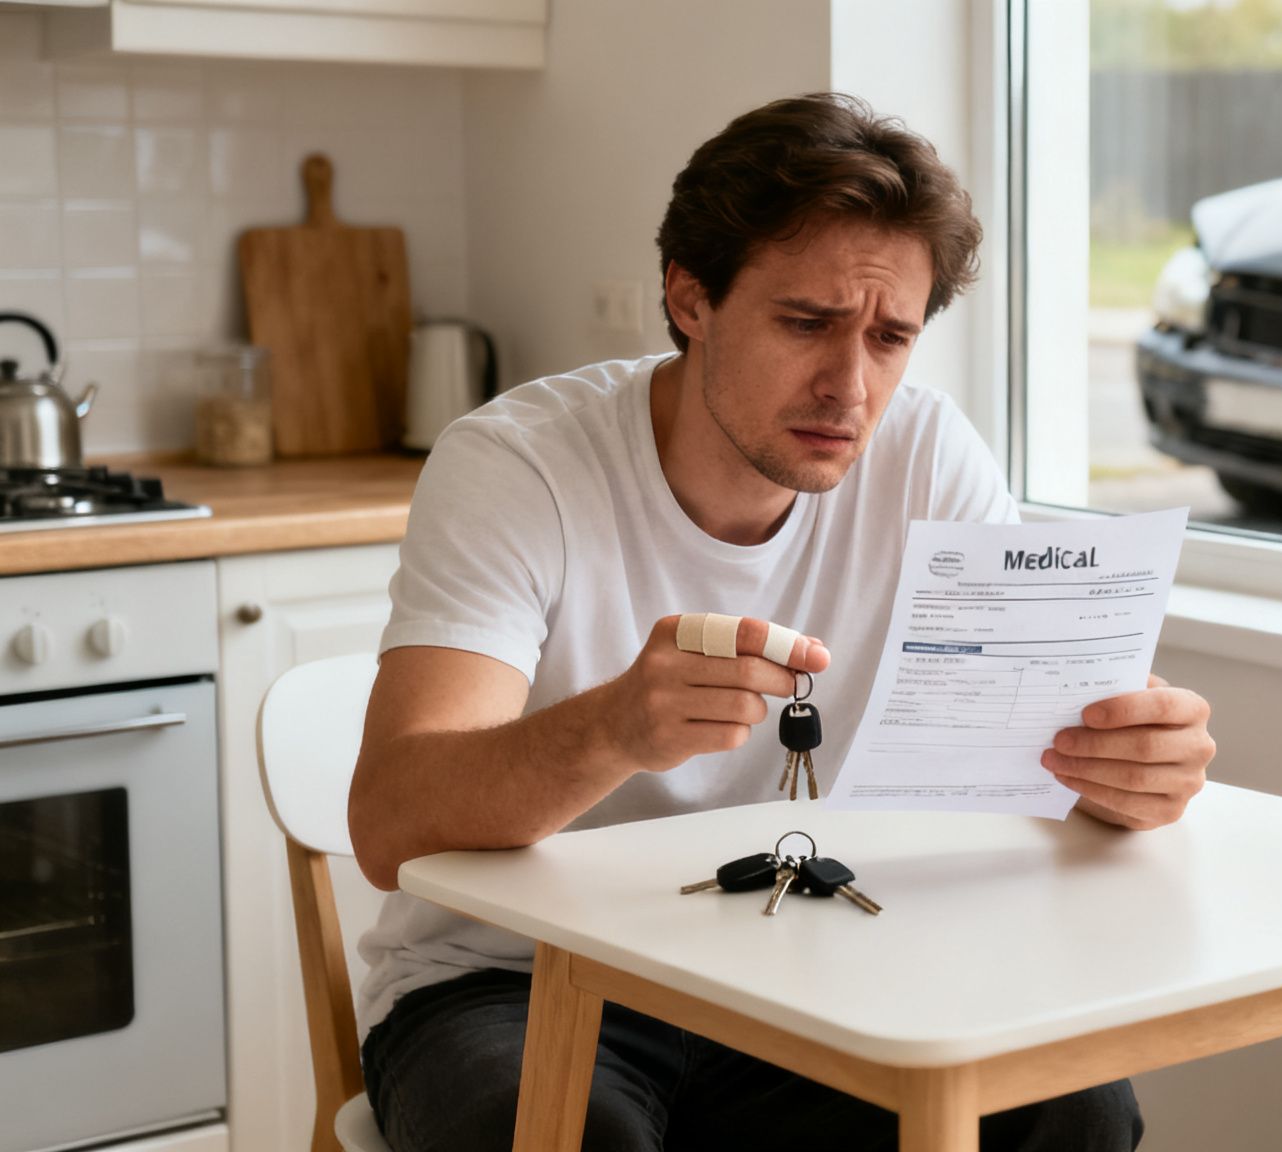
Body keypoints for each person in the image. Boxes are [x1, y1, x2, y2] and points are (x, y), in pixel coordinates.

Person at [346, 92, 1216, 1152]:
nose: (849, 387)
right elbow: (392, 823)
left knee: (1072, 1108)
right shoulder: (517, 467)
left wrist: (1122, 769)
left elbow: (1018, 770)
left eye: (889, 338)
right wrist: (615, 727)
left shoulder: (928, 456)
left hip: (806, 968)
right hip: (507, 983)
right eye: (805, 323)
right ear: (688, 298)